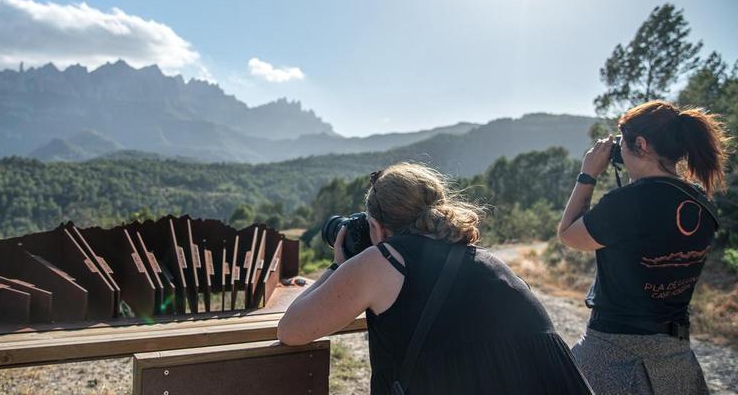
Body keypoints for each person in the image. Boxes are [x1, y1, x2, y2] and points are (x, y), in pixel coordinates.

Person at [278, 162, 592, 394]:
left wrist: (338, 266)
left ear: (376, 227)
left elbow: (292, 330)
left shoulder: (384, 259)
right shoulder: (486, 260)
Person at [558, 100, 730, 394]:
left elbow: (569, 234)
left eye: (622, 144)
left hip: (612, 353)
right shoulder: (701, 202)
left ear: (641, 144)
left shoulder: (627, 203)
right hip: (676, 357)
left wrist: (587, 175)